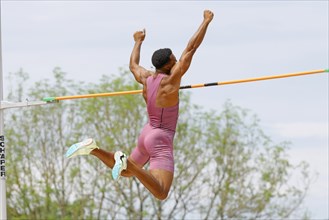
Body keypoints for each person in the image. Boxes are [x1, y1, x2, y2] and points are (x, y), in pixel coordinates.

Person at [65, 10, 214, 200]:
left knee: (126, 172)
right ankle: (123, 160)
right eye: (174, 60)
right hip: (160, 138)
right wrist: (206, 21)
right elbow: (191, 48)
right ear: (169, 65)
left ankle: (92, 148)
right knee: (161, 192)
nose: (177, 61)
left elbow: (133, 65)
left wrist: (137, 42)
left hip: (147, 133)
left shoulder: (145, 78)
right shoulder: (171, 81)